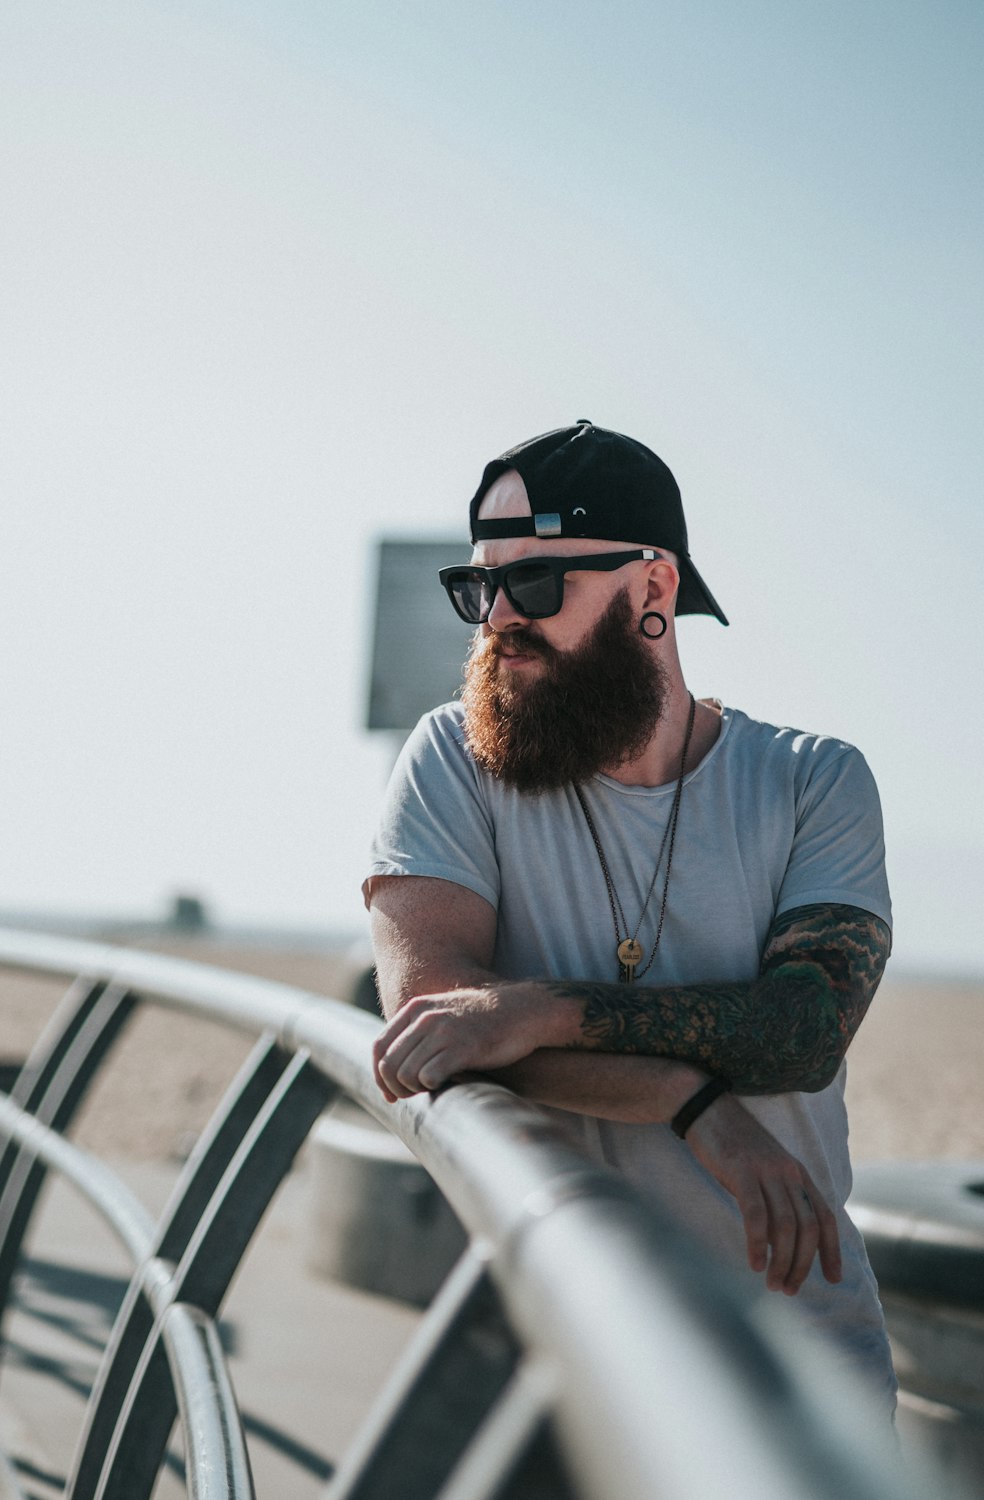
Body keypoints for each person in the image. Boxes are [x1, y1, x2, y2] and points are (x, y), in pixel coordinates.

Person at [363, 419, 895, 1408]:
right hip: (549, 1367)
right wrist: (683, 1102)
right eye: (480, 587)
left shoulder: (811, 782)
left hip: (796, 1363)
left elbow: (801, 1030)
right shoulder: (454, 761)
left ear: (653, 588)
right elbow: (437, 1024)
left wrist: (541, 1011)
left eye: (534, 584)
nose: (496, 622)